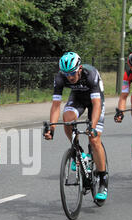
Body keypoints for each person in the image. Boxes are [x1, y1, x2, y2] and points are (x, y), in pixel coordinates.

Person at [43, 52, 108, 200]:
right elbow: (55, 106)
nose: (70, 77)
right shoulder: (60, 78)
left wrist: (92, 126)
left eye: (72, 73)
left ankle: (103, 178)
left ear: (79, 69)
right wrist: (52, 128)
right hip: (77, 98)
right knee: (67, 119)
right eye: (66, 74)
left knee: (94, 139)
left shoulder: (90, 74)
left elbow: (97, 104)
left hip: (95, 101)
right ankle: (78, 151)